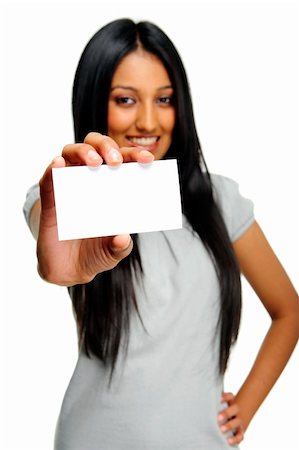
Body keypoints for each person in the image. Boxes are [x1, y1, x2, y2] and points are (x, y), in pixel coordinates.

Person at [23, 18, 298, 450]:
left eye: (164, 98)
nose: (147, 120)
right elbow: (52, 241)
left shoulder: (219, 201)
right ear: (96, 102)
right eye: (126, 99)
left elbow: (289, 311)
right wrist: (60, 252)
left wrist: (246, 405)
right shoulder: (66, 197)